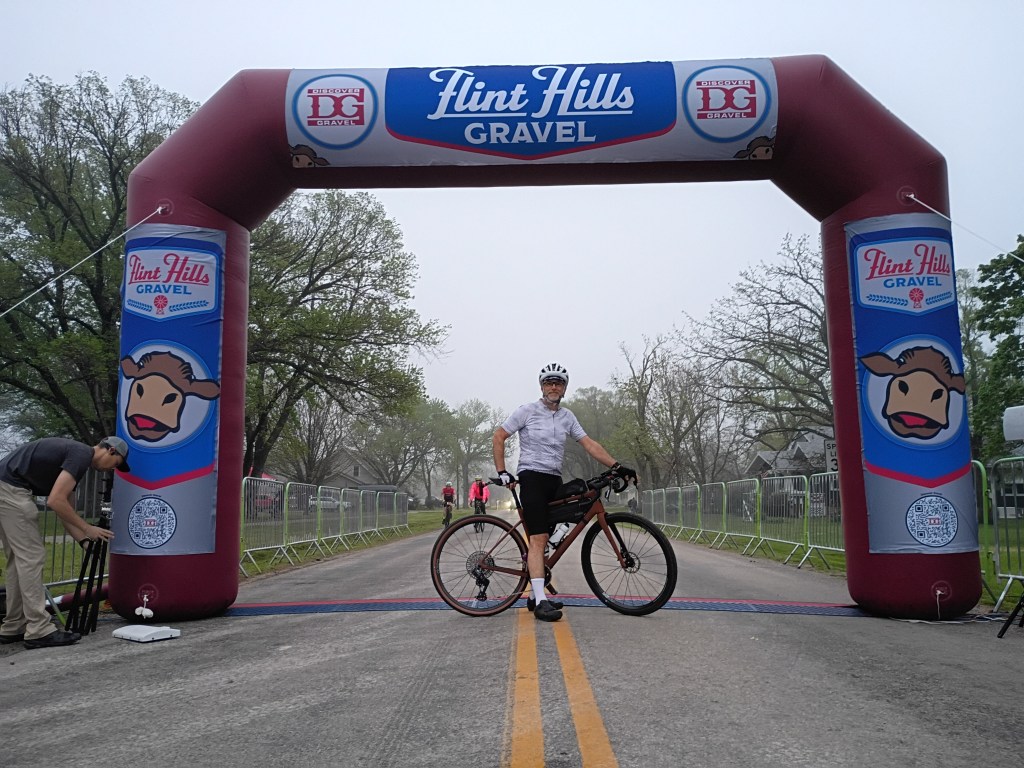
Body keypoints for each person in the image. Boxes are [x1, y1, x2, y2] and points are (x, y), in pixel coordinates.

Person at [493, 363, 636, 622]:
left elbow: (589, 444)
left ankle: (537, 594)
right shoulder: (527, 411)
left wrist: (616, 465)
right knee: (538, 539)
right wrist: (502, 471)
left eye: (558, 383)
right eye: (549, 382)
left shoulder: (567, 417)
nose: (553, 387)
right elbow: (499, 436)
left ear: (564, 388)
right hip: (532, 477)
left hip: (554, 480)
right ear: (541, 386)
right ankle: (540, 603)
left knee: (560, 526)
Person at [0, 436, 127, 649]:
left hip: (5, 488)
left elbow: (64, 510)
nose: (110, 470)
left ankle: (14, 626)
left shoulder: (75, 458)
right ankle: (39, 630)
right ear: (110, 450)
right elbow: (55, 501)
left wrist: (84, 541)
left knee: (18, 561)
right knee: (31, 558)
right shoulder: (80, 454)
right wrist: (88, 528)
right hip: (12, 491)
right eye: (115, 464)